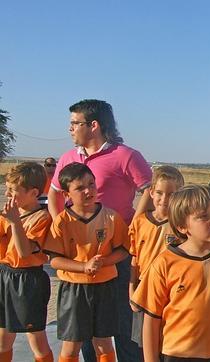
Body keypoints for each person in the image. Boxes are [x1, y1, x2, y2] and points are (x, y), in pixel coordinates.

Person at [47, 99, 151, 362]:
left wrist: (131, 228)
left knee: (123, 319)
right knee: (86, 325)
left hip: (116, 252)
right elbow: (54, 193)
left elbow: (149, 191)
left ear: (94, 125)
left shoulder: (126, 155)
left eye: (75, 123)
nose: (70, 129)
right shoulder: (68, 158)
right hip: (80, 257)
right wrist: (62, 225)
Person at [131, 185, 210, 361]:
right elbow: (151, 321)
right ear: (182, 226)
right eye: (204, 217)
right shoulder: (164, 264)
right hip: (178, 355)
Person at [43, 163, 130, 362]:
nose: (88, 190)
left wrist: (105, 261)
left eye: (91, 184)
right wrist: (83, 266)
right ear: (66, 194)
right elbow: (55, 261)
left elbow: (123, 250)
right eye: (80, 188)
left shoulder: (111, 217)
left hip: (105, 287)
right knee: (72, 344)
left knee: (104, 343)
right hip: (74, 289)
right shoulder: (62, 222)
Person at [0, 162, 53, 361]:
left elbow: (24, 252)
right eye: (7, 188)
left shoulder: (41, 217)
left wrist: (14, 223)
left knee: (35, 337)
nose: (7, 194)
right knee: (3, 336)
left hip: (28, 280)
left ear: (33, 193)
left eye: (13, 190)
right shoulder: (10, 214)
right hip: (5, 274)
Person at [128, 166, 184, 347]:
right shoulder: (140, 222)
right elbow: (134, 260)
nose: (164, 199)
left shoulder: (182, 225)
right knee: (146, 344)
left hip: (172, 291)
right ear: (151, 192)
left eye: (171, 194)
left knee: (170, 342)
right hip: (145, 290)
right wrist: (132, 291)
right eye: (159, 192)